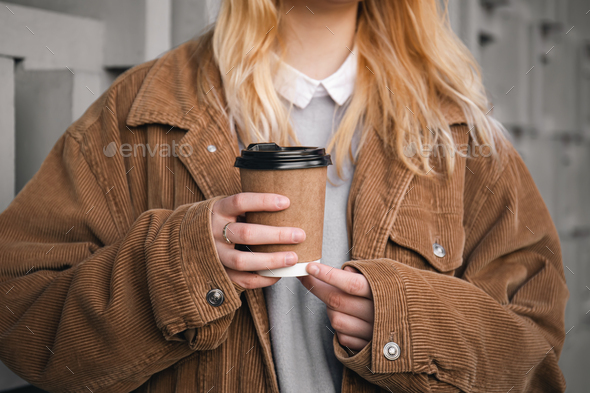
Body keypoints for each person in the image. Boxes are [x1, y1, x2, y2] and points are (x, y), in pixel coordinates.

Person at [0, 0, 568, 392]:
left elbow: (532, 363)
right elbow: (18, 317)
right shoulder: (138, 115)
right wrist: (179, 268)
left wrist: (406, 324)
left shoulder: (460, 135)